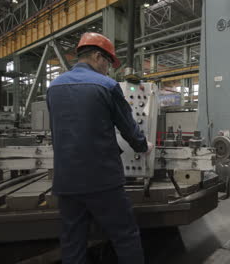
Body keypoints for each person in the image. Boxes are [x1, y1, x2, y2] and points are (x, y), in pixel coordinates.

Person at [47, 32, 153, 264]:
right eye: (108, 63)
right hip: (102, 181)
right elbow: (129, 128)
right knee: (125, 236)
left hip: (66, 182)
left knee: (72, 241)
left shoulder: (53, 87)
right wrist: (144, 146)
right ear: (97, 56)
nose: (109, 69)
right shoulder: (107, 86)